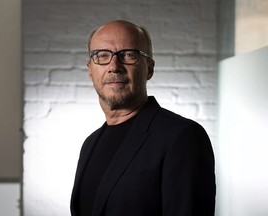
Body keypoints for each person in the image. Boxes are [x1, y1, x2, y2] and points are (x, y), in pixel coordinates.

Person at [70, 20, 216, 216]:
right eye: (102, 55)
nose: (114, 66)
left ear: (149, 68)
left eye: (129, 55)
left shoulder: (182, 137)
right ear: (90, 70)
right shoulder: (90, 143)